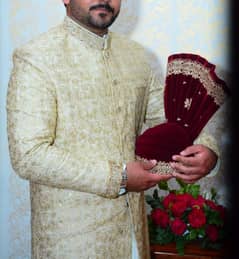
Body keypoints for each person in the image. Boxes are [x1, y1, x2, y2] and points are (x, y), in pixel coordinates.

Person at [7, 1, 218, 258]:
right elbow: (28, 155)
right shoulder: (37, 57)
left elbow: (169, 121)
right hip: (72, 242)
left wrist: (207, 149)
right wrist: (119, 178)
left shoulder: (137, 57)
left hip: (133, 237)